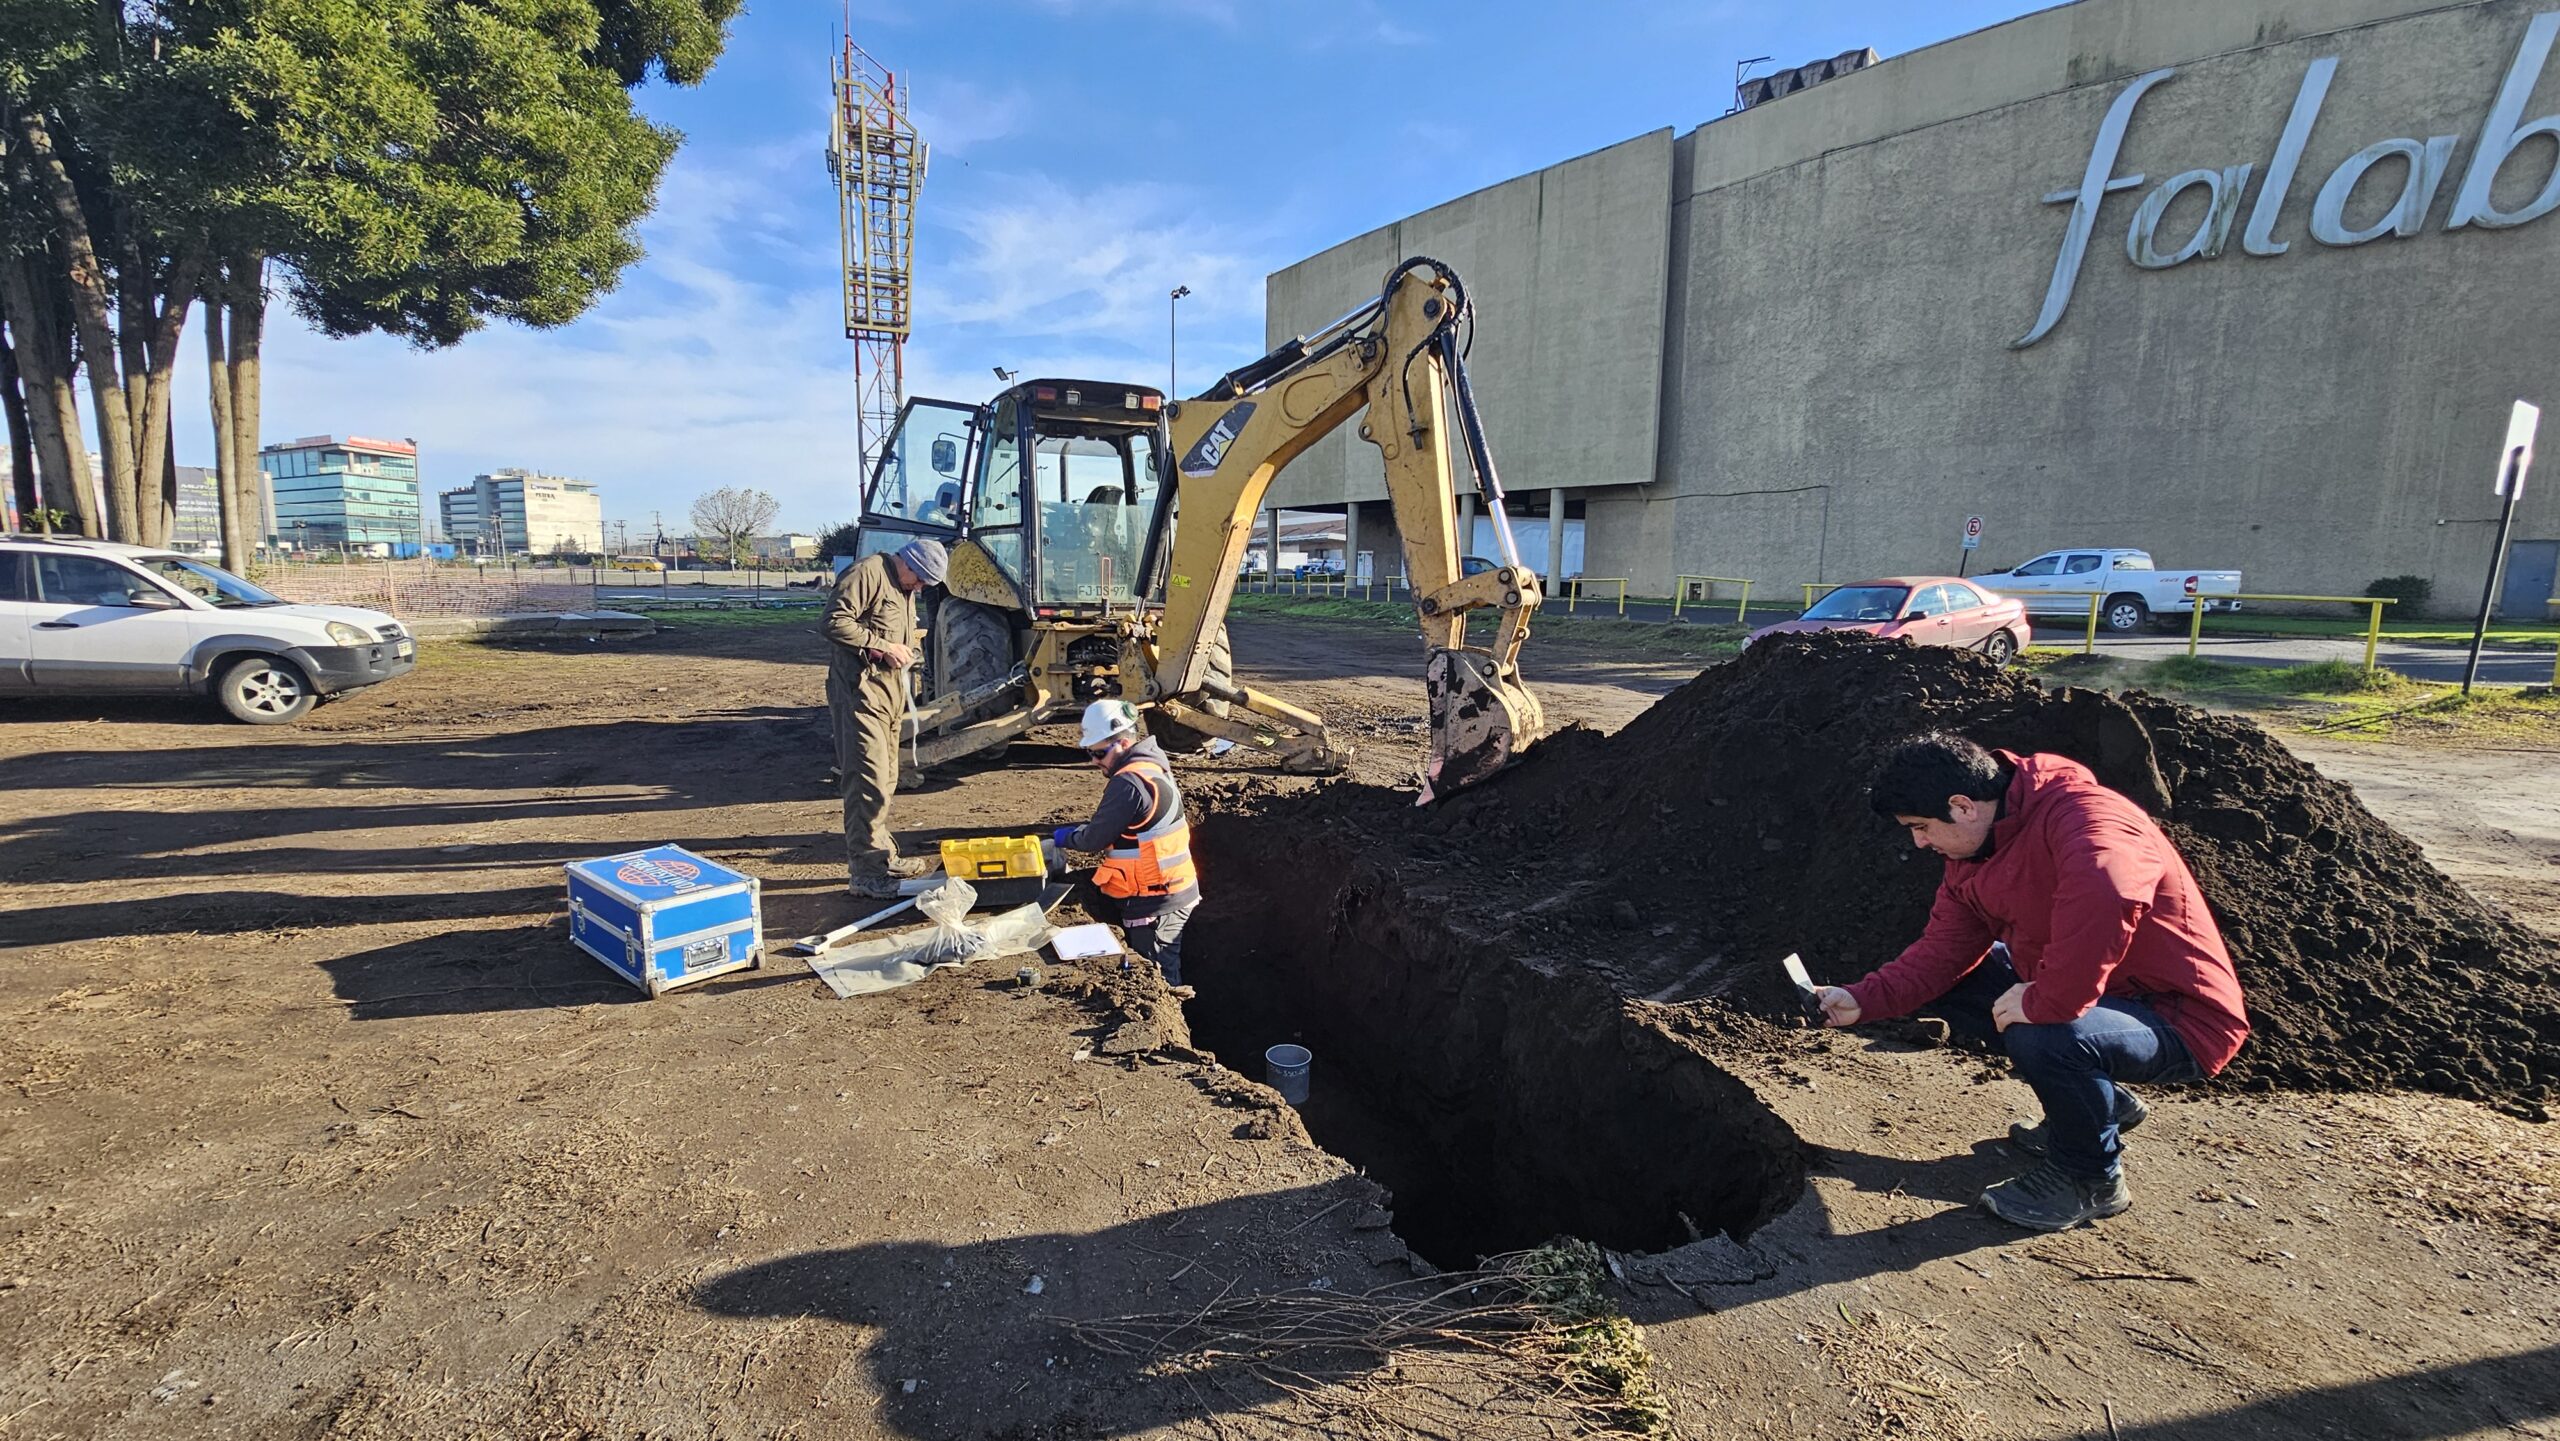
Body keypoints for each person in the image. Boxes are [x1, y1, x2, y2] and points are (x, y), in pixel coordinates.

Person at [1813, 732, 2249, 1231]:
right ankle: (2095, 1104)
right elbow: (1940, 955)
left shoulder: (2088, 817)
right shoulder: (1973, 857)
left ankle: (2091, 1178)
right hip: (2101, 1002)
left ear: (1962, 806)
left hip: (2178, 1017)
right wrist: (1860, 1000)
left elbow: (2109, 896)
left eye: (1921, 827)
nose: (1919, 842)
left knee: (2043, 1029)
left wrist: (2047, 1000)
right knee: (1964, 982)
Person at [1054, 699, 1201, 995]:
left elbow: (1093, 840)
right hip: (1170, 889)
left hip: (1156, 901)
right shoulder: (1152, 762)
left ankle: (1169, 1033)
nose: (1094, 761)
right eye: (1089, 752)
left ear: (1122, 742)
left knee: (1159, 980)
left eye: (1098, 753)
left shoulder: (1128, 783)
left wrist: (1064, 837)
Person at [826, 539, 948, 898]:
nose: (921, 588)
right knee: (869, 781)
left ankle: (882, 857)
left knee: (887, 777)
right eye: (921, 580)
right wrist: (879, 645)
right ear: (907, 562)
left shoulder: (901, 584)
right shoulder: (868, 573)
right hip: (861, 695)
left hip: (889, 696)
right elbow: (833, 620)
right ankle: (865, 872)